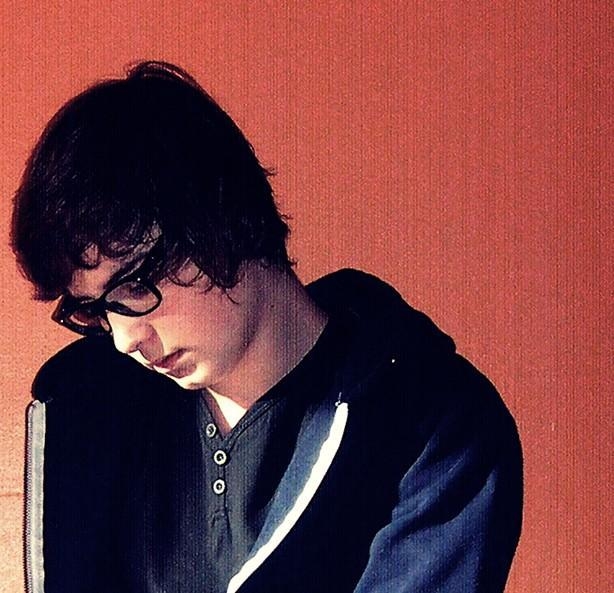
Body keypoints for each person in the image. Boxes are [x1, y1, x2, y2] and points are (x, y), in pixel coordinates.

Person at [12, 61, 522, 593]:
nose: (124, 338)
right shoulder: (95, 412)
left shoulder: (431, 424)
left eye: (136, 287)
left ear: (221, 219)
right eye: (95, 310)